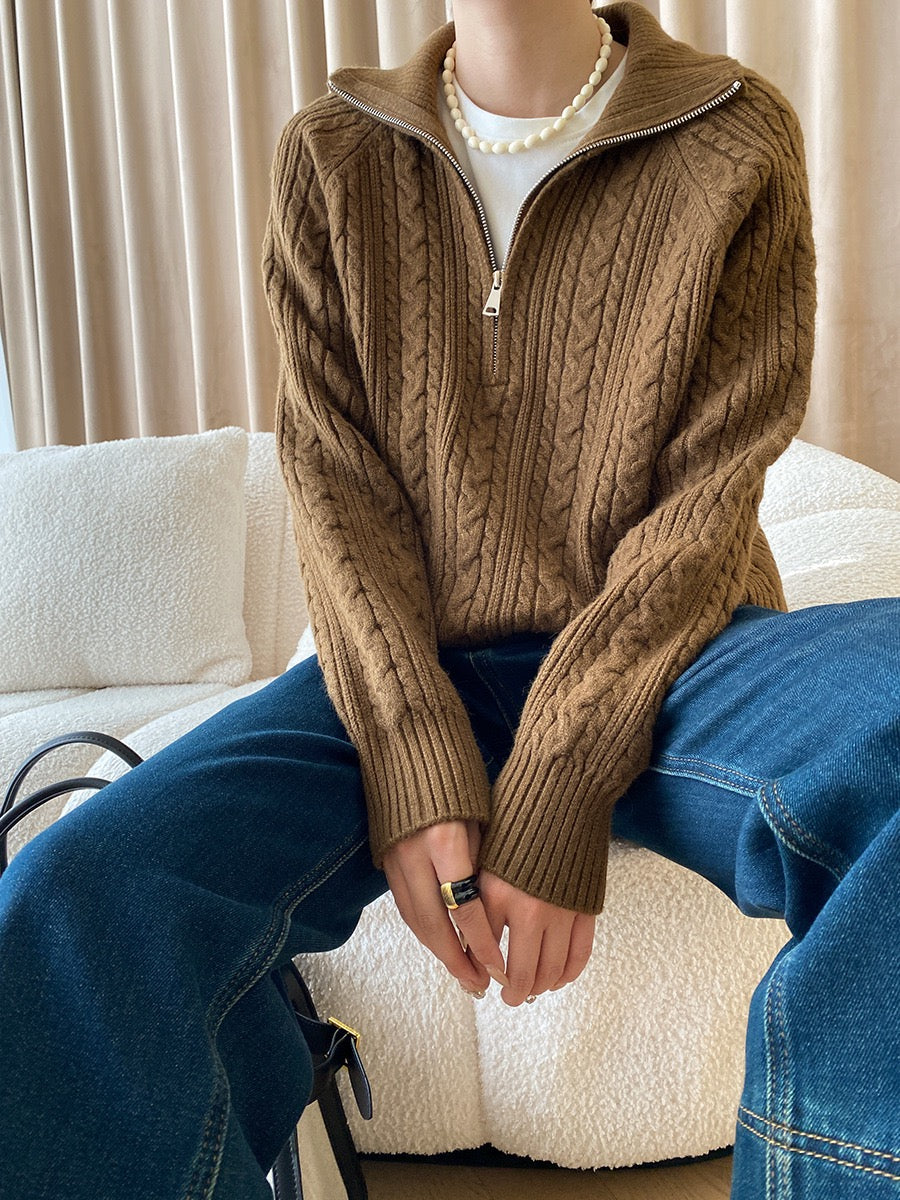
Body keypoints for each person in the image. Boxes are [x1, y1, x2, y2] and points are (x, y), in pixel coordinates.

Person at [1, 1, 898, 1197]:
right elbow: (335, 483)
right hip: (412, 668)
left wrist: (561, 772)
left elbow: (710, 494)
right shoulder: (333, 154)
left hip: (680, 657)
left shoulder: (732, 135)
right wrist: (414, 754)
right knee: (71, 896)